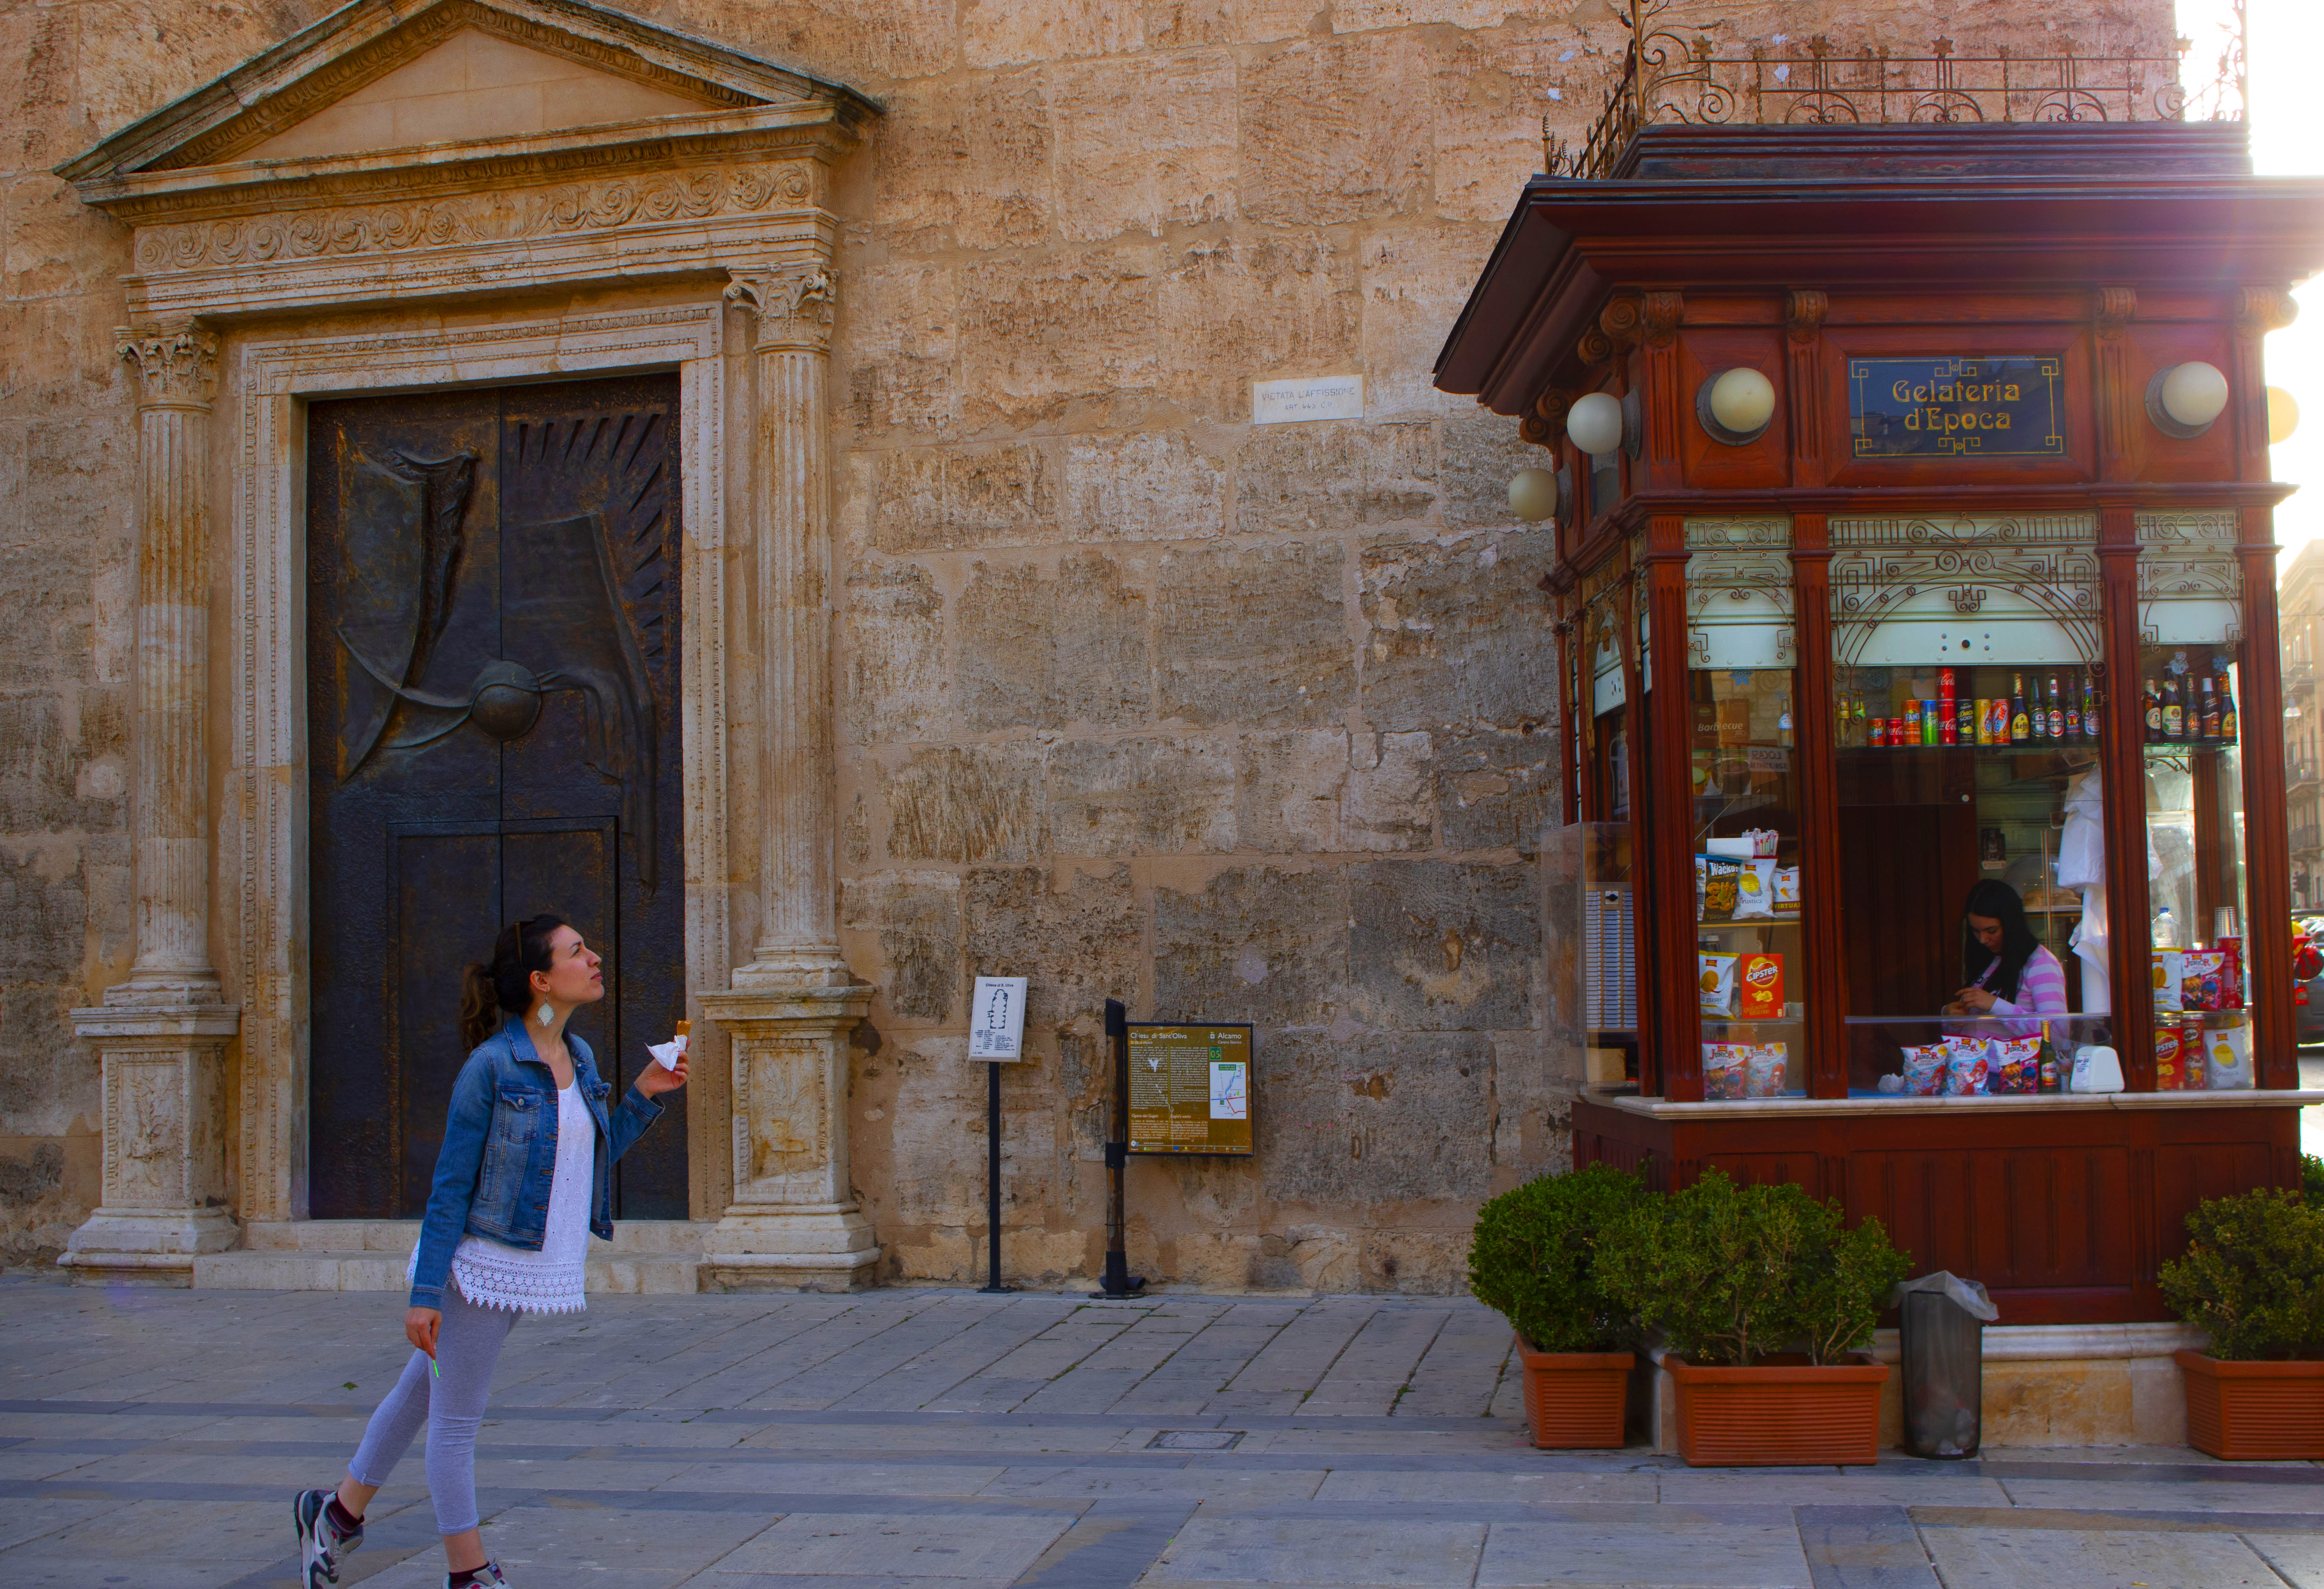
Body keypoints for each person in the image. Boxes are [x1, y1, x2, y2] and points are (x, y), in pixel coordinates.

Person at [293, 914, 687, 1589]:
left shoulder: (580, 1058)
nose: (594, 958)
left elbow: (585, 1162)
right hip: (477, 1268)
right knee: (454, 1426)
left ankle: (335, 1514)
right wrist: (424, 1295)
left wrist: (644, 1095)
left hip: (525, 1262)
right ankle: (469, 1573)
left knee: (422, 1394)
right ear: (541, 980)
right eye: (577, 952)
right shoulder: (491, 1068)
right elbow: (450, 1186)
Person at [1945, 879, 2069, 1038]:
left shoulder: (2041, 963)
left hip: (2015, 1063)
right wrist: (1951, 1018)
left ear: (2011, 924)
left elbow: (2058, 1034)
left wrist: (1996, 1006)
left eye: (1992, 931)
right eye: (1976, 931)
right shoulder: (1989, 959)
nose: (1983, 940)